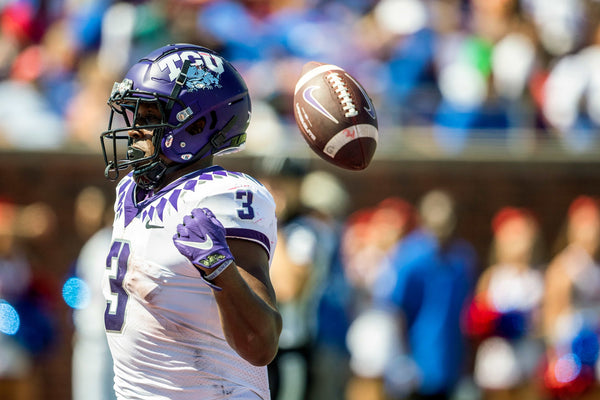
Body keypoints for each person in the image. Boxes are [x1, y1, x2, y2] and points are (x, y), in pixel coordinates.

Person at [99, 43, 282, 399]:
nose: (134, 130)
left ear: (198, 124)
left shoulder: (224, 195)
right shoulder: (130, 190)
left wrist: (219, 269)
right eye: (134, 117)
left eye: (150, 118)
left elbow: (261, 344)